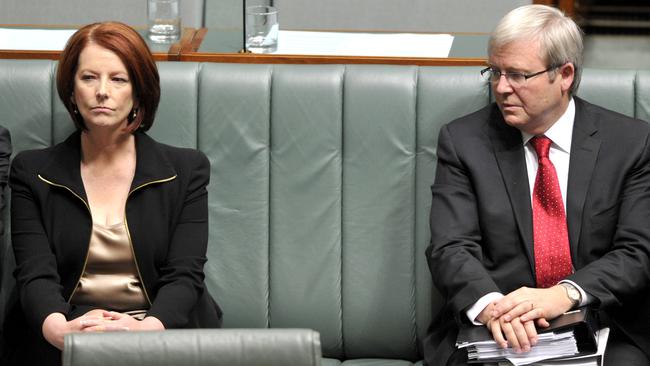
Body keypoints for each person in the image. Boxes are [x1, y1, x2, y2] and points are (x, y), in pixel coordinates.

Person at [423, 5, 650, 366]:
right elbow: (450, 247)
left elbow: (638, 252)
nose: (501, 88)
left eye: (518, 75)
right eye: (494, 72)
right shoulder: (463, 141)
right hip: (495, 329)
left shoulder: (631, 143)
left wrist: (565, 294)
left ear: (564, 74)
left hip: (601, 322)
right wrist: (492, 308)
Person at [1, 22, 222, 365]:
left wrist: (144, 333)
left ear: (139, 92)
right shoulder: (32, 171)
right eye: (88, 78)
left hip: (161, 331)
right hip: (65, 331)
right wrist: (60, 330)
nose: (102, 91)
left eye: (118, 79)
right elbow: (34, 273)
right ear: (71, 91)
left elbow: (185, 274)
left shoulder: (186, 170)